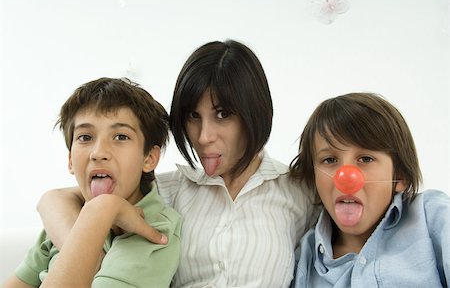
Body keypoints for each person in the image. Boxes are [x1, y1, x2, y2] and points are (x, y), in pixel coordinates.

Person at [36, 40, 320, 287]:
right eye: (193, 116)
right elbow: (59, 199)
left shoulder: (300, 191)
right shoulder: (167, 190)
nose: (204, 136)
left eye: (222, 115)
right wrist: (94, 253)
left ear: (254, 114)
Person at [2, 77, 181, 288]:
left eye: (121, 137)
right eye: (85, 137)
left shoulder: (156, 232)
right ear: (70, 160)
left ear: (149, 158)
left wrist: (101, 210)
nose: (98, 153)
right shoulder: (64, 219)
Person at [289, 92, 449, 287]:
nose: (345, 177)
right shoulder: (303, 256)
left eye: (366, 159)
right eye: (329, 160)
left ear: (400, 176)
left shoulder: (432, 216)